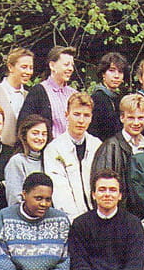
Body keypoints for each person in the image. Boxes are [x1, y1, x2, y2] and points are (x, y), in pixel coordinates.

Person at [43, 92, 102, 220]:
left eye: (86, 115)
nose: (81, 120)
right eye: (76, 114)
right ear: (66, 115)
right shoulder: (54, 149)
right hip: (71, 218)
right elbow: (60, 191)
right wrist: (76, 220)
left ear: (91, 118)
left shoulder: (97, 145)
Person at [91, 93, 144, 207]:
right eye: (131, 118)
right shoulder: (110, 147)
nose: (136, 123)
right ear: (122, 118)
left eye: (140, 118)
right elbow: (102, 188)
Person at [0, 47, 34, 146]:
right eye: (24, 67)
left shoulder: (29, 97)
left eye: (31, 68)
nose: (28, 72)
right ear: (10, 67)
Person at [19, 46, 78, 139]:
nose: (71, 69)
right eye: (66, 65)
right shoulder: (38, 92)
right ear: (52, 66)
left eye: (72, 65)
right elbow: (24, 125)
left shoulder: (74, 94)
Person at [4, 114, 52, 206]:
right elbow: (15, 200)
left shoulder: (49, 160)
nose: (40, 138)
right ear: (24, 135)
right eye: (35, 133)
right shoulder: (17, 161)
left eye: (44, 134)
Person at [89, 52, 128, 141]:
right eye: (112, 70)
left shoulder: (119, 98)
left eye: (120, 71)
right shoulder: (97, 98)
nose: (116, 76)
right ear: (103, 73)